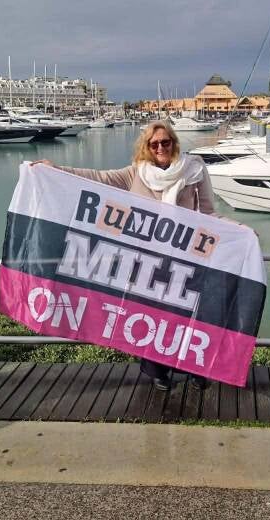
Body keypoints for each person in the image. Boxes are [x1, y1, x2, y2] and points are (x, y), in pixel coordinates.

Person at [31, 121, 227, 392]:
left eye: (165, 142)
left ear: (174, 142)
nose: (160, 148)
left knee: (190, 316)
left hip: (187, 259)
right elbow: (96, 177)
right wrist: (56, 169)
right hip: (146, 261)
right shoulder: (135, 173)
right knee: (152, 316)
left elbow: (208, 212)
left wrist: (239, 230)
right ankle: (158, 371)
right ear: (146, 147)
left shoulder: (194, 169)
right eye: (154, 144)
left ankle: (194, 369)